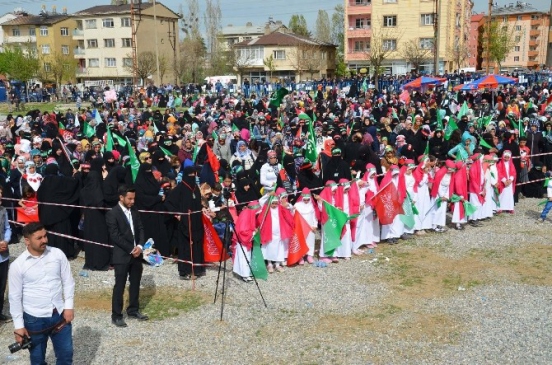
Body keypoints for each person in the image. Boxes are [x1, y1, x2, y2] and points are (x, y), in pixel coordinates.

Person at [8, 222, 75, 364]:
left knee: (66, 355)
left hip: (59, 315)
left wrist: (69, 306)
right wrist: (19, 326)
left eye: (45, 236)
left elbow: (68, 281)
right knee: (37, 360)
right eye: (39, 238)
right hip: (34, 320)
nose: (44, 240)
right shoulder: (18, 265)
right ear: (27, 240)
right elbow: (14, 298)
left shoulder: (57, 254)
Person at [106, 185, 149, 327]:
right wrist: (131, 248)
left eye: (133, 199)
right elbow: (115, 236)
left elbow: (141, 228)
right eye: (129, 199)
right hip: (122, 255)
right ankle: (116, 314)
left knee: (135, 282)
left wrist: (141, 246)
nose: (132, 201)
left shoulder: (135, 211)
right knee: (120, 285)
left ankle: (133, 309)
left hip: (137, 254)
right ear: (121, 197)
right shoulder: (113, 213)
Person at [0, 185, 11, 322]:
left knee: (2, 286)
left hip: (3, 255)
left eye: (1, 193)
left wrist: (6, 241)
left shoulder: (3, 210)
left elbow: (7, 228)